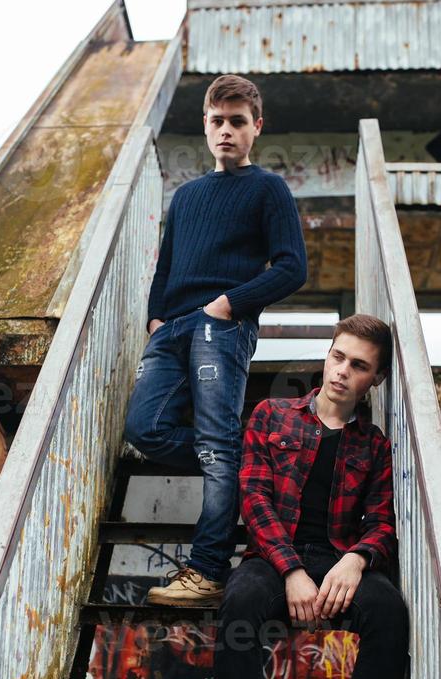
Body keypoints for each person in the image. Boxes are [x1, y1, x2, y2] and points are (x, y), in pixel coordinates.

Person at [201, 314, 412, 679]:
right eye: (338, 356)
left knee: (388, 613)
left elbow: (383, 520)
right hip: (275, 556)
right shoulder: (271, 416)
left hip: (339, 560)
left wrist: (359, 559)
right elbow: (253, 498)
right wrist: (291, 569)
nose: (343, 372)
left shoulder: (375, 445)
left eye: (359, 366)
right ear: (328, 354)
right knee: (241, 602)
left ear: (376, 380)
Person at [124, 74, 307, 606]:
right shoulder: (186, 196)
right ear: (205, 125)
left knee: (215, 443)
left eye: (238, 122)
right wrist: (157, 319)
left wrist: (227, 305)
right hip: (171, 330)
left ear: (256, 128)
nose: (227, 130)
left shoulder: (267, 188)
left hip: (220, 327)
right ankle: (244, 460)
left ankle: (207, 568)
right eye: (217, 121)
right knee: (146, 429)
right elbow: (165, 268)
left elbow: (292, 268)